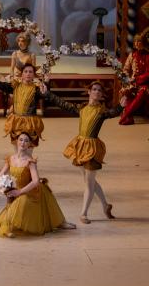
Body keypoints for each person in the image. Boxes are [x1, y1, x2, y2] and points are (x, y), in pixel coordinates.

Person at [42, 81, 126, 224]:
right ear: (89, 92)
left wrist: (120, 107)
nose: (97, 92)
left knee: (88, 183)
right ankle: (106, 206)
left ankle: (84, 213)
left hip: (92, 149)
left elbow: (112, 113)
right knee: (89, 181)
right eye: (94, 89)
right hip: (80, 146)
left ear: (102, 95)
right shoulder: (82, 108)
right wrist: (47, 94)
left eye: (99, 90)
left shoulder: (102, 111)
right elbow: (64, 104)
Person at [0, 132, 76, 237]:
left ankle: (60, 222)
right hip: (15, 190)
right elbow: (0, 175)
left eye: (26, 141)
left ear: (29, 144)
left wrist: (20, 192)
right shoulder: (10, 159)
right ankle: (6, 227)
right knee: (11, 206)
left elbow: (35, 181)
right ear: (16, 141)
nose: (23, 143)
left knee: (22, 202)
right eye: (21, 140)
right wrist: (4, 187)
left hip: (30, 191)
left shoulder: (30, 161)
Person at [0, 61, 46, 146]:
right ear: (22, 74)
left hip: (31, 123)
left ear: (34, 75)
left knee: (28, 150)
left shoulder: (37, 89)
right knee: (18, 149)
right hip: (16, 122)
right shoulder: (15, 86)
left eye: (30, 72)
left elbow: (47, 96)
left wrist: (46, 84)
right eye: (25, 71)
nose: (28, 74)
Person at [120, 29, 149, 125]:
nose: (137, 43)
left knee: (143, 91)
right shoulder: (132, 55)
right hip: (132, 82)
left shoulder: (147, 56)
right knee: (128, 91)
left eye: (139, 41)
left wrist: (137, 80)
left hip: (145, 83)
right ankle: (128, 116)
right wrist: (127, 80)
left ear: (143, 43)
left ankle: (126, 114)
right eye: (135, 41)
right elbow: (125, 69)